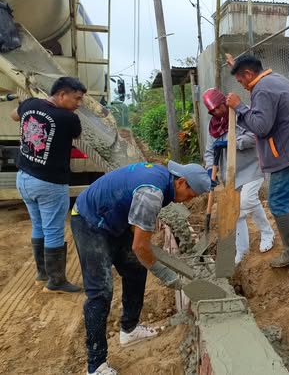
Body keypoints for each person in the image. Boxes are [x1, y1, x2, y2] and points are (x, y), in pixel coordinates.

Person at [70, 161, 210, 375]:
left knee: (135, 268)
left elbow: (139, 236)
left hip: (113, 221)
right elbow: (140, 246)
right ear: (181, 182)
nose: (189, 200)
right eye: (191, 195)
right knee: (100, 291)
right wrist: (171, 277)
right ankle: (95, 366)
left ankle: (129, 329)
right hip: (90, 221)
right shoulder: (152, 194)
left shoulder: (164, 179)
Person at [225, 54, 289, 268]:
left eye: (240, 80)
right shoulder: (275, 79)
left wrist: (239, 107)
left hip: (288, 157)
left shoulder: (263, 90)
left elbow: (261, 127)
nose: (241, 85)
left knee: (277, 202)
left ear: (249, 74)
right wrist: (236, 66)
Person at [11, 76, 87, 293]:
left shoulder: (30, 104)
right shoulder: (68, 119)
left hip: (24, 179)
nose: (79, 104)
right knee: (53, 230)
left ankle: (42, 274)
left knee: (38, 225)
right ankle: (56, 282)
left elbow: (14, 115)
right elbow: (77, 135)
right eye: (77, 99)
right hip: (49, 183)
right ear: (62, 94)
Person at [202, 87, 274, 264]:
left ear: (223, 102)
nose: (216, 113)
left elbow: (255, 137)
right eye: (212, 111)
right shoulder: (213, 126)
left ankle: (267, 233)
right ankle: (242, 251)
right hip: (231, 173)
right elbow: (209, 151)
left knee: (247, 200)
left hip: (253, 166)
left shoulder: (241, 113)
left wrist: (232, 142)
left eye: (218, 108)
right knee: (237, 212)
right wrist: (210, 170)